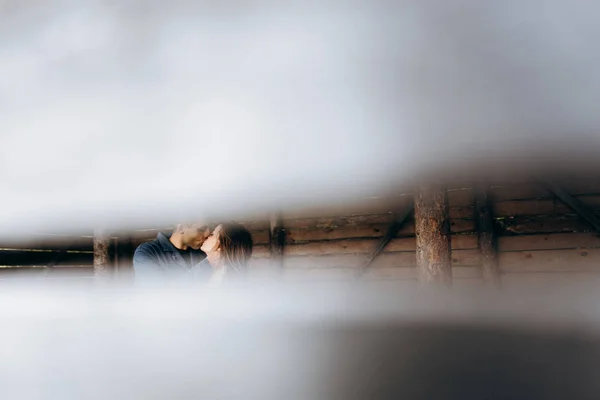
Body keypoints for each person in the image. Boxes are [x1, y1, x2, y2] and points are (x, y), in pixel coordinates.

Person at [133, 223, 212, 282]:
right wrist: (211, 261)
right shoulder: (146, 253)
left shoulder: (204, 251)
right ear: (181, 228)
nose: (207, 234)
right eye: (201, 229)